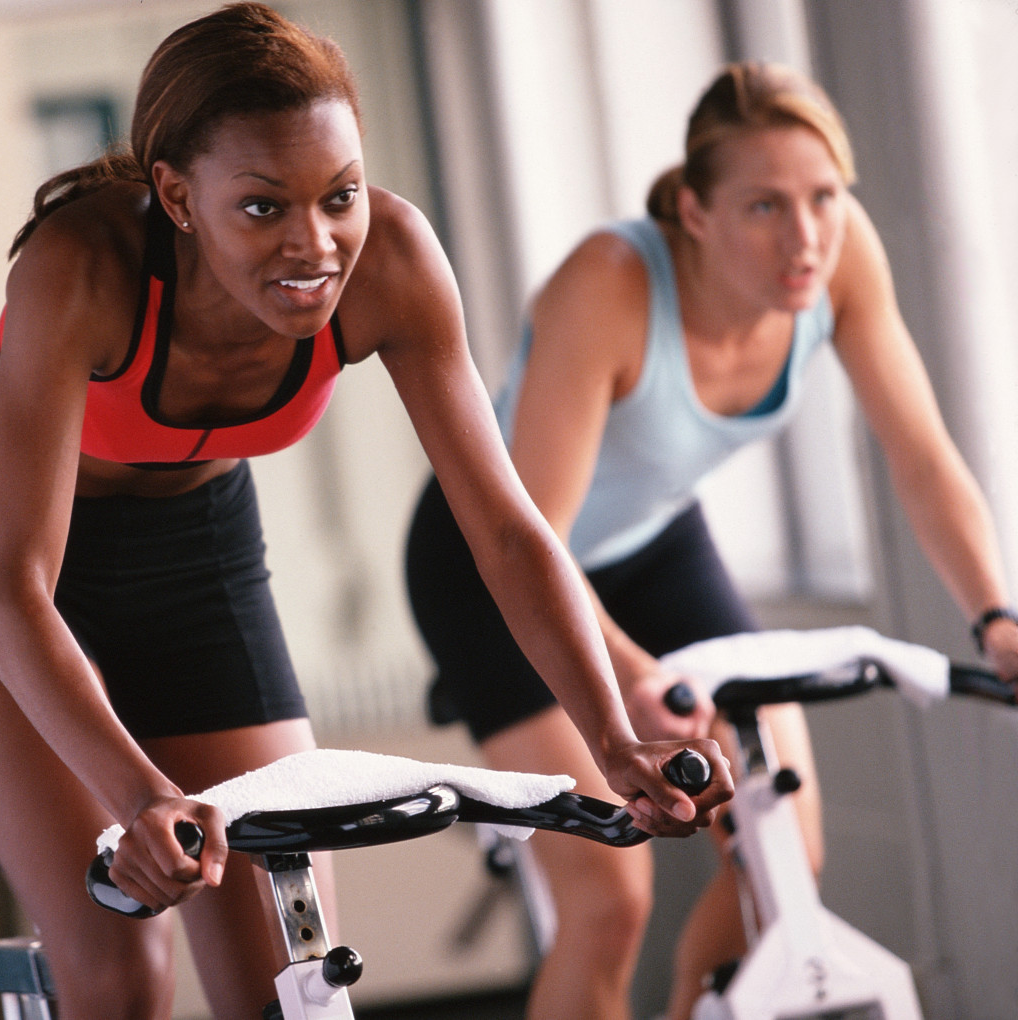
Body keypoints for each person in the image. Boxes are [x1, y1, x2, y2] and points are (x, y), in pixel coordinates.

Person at [0, 5, 733, 1018]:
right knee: (116, 965)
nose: (315, 242)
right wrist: (142, 795)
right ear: (178, 197)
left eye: (341, 195)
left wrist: (611, 731)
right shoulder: (81, 270)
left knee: (293, 976)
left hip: (196, 552)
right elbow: (13, 590)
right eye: (262, 208)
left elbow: (505, 528)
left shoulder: (396, 263)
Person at [404, 61, 1018, 1020]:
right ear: (693, 211)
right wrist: (636, 675)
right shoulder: (607, 284)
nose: (806, 234)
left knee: (783, 849)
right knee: (610, 898)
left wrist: (996, 615)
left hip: (652, 542)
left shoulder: (839, 260)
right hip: (496, 560)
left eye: (824, 197)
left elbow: (925, 458)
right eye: (765, 207)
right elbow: (537, 539)